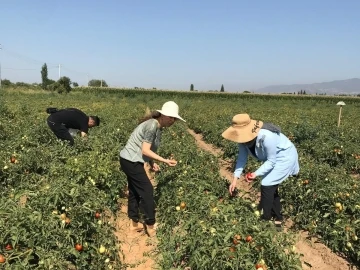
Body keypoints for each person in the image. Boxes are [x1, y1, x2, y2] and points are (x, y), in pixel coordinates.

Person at [119, 101, 185, 237]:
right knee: (147, 190)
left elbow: (146, 150)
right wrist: (165, 160)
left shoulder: (157, 126)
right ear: (163, 115)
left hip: (128, 160)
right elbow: (145, 150)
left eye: (174, 119)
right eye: (170, 117)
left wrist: (151, 162)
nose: (172, 121)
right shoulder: (152, 126)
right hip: (131, 161)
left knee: (134, 190)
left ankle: (134, 224)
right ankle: (150, 225)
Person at [222, 113, 299, 228]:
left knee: (267, 184)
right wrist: (234, 179)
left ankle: (265, 219)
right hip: (273, 158)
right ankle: (277, 217)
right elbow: (242, 158)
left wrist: (255, 173)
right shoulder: (242, 141)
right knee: (270, 184)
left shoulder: (267, 137)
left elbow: (272, 161)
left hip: (284, 157)